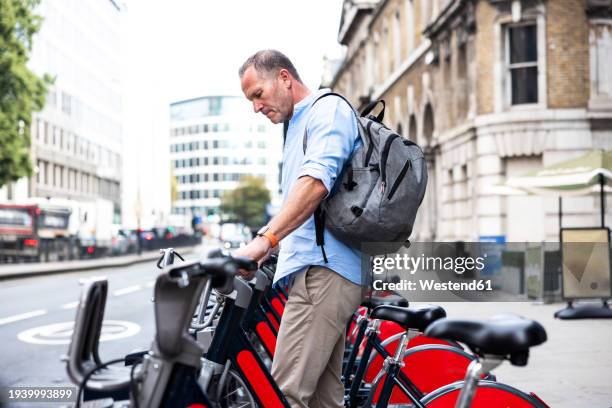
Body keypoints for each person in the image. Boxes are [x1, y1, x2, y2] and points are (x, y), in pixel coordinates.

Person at [235, 49, 363, 408]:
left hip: (324, 272)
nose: (256, 107)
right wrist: (266, 251)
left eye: (258, 94)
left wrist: (264, 242)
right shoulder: (298, 125)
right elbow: (298, 206)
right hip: (318, 270)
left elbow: (315, 183)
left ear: (284, 78)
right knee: (324, 399)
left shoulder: (326, 110)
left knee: (282, 396)